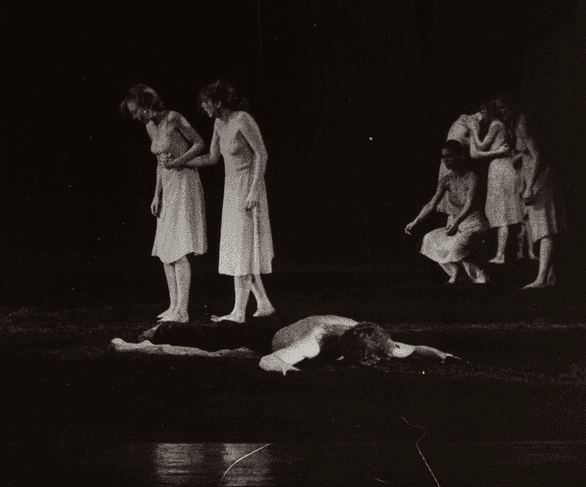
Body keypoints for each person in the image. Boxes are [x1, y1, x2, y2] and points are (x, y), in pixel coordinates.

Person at [184, 80, 274, 321]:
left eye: (206, 103)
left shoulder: (242, 118)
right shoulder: (218, 123)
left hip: (248, 186)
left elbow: (262, 153)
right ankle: (264, 303)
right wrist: (182, 162)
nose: (204, 108)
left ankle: (238, 312)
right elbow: (212, 158)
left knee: (243, 248)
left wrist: (254, 190)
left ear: (218, 102)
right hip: (232, 189)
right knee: (237, 248)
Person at [112, 314, 457, 374]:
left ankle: (158, 337)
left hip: (292, 328)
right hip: (269, 336)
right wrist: (285, 367)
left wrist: (441, 354)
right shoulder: (315, 341)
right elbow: (268, 361)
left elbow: (414, 349)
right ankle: (162, 332)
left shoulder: (380, 340)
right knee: (219, 348)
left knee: (221, 347)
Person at [120, 84, 207, 322]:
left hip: (184, 181)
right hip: (168, 186)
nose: (136, 116)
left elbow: (199, 143)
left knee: (178, 248)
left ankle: (183, 310)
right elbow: (159, 163)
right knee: (165, 249)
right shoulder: (150, 126)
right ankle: (173, 306)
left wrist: (180, 161)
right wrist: (156, 194)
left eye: (137, 110)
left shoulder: (174, 117)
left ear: (147, 104)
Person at [405, 139, 490, 285]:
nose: (446, 161)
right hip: (457, 225)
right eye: (443, 157)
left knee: (459, 245)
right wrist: (416, 221)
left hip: (474, 224)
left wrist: (457, 221)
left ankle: (479, 277)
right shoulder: (446, 180)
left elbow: (469, 204)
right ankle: (455, 272)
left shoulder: (472, 177)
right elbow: (431, 204)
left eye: (449, 156)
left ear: (460, 156)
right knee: (429, 239)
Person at [514, 107, 566, 289]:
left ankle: (541, 279)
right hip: (536, 180)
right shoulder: (518, 126)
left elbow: (536, 155)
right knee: (541, 228)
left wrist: (529, 187)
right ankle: (550, 277)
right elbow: (529, 152)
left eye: (503, 106)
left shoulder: (522, 124)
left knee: (545, 229)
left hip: (540, 181)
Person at [472, 97, 524, 265]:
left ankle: (501, 255)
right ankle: (519, 252)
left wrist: (473, 130)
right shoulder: (502, 126)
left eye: (483, 111)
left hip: (500, 169)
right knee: (508, 211)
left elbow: (481, 147)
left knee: (502, 212)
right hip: (503, 167)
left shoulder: (495, 125)